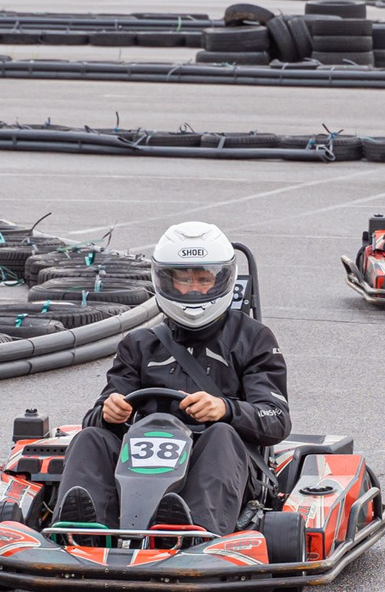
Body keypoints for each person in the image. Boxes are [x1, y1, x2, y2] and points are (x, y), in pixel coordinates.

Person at [52, 221, 290, 532]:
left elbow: (276, 419)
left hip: (216, 464)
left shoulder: (253, 338)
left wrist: (226, 410)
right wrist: (109, 414)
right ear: (165, 280)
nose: (193, 288)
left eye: (203, 279)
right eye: (183, 279)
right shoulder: (138, 343)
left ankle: (193, 530)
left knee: (222, 436)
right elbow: (97, 415)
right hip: (141, 466)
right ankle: (82, 528)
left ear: (222, 280)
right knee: (90, 438)